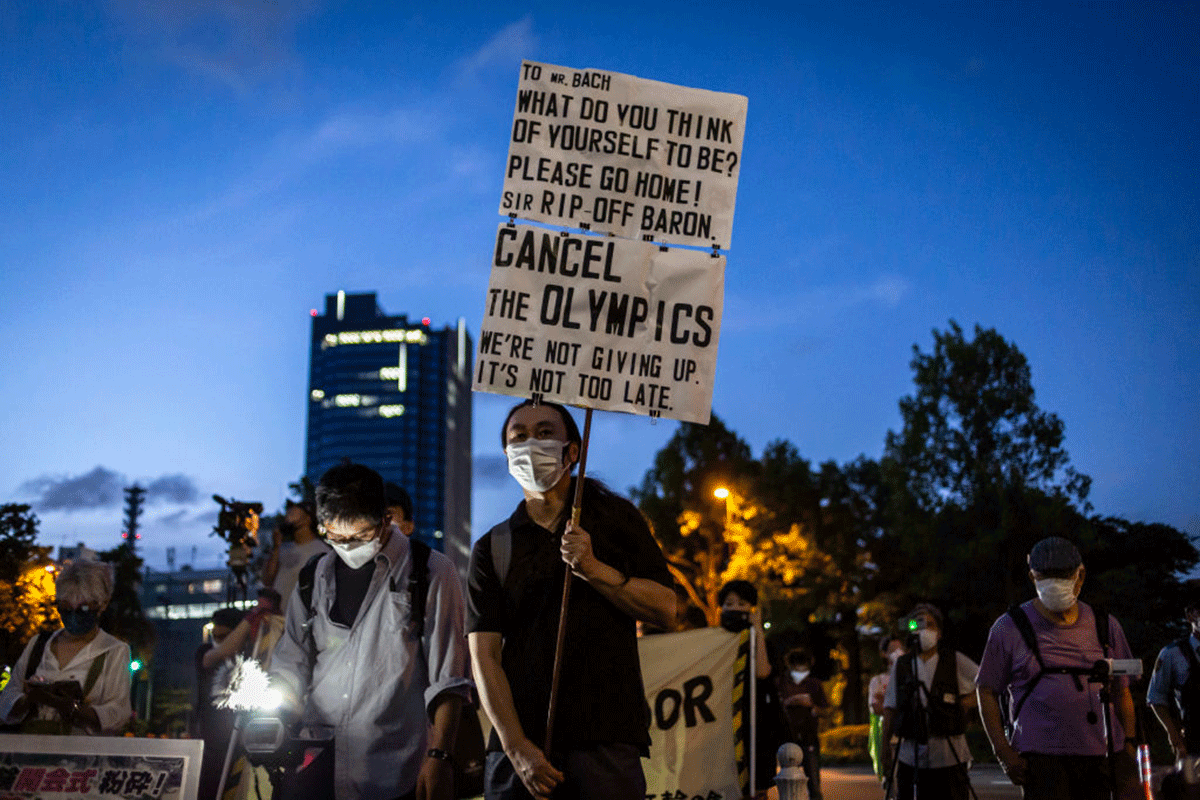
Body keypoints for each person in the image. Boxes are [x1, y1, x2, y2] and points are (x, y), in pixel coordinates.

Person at [467, 399, 675, 800]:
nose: (531, 445)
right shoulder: (493, 547)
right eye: (519, 436)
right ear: (507, 454)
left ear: (572, 451)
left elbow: (665, 608)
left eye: (545, 433)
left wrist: (596, 570)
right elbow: (484, 657)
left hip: (606, 744)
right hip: (521, 758)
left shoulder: (617, 520)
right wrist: (515, 747)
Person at [269, 462, 471, 800]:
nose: (348, 546)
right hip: (315, 764)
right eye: (336, 536)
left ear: (386, 520)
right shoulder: (312, 576)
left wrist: (439, 756)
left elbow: (449, 680)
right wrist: (276, 712)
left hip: (396, 768)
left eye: (361, 536)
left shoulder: (430, 570)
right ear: (323, 526)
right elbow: (291, 661)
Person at [977, 536, 1137, 800]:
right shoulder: (1009, 628)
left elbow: (1122, 691)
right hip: (1041, 760)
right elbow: (986, 691)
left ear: (1080, 575)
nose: (1055, 583)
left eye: (1062, 575)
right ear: (1032, 577)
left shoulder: (1105, 625)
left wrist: (1128, 744)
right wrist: (1003, 752)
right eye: (1045, 576)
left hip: (1102, 757)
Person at [0, 558, 131, 734]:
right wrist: (31, 699)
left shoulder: (113, 651)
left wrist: (74, 709)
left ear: (102, 604)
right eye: (66, 608)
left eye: (84, 609)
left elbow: (118, 713)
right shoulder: (39, 645)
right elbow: (6, 701)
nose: (74, 616)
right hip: (30, 753)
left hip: (80, 756)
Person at [882, 603, 977, 800]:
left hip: (949, 756)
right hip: (910, 755)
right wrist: (885, 749)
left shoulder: (954, 660)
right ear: (911, 629)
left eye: (931, 625)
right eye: (918, 624)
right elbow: (890, 708)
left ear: (939, 633)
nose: (925, 630)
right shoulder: (902, 665)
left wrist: (962, 705)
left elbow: (986, 685)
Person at [718, 580, 789, 795]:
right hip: (722, 724)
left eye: (742, 603)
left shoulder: (760, 640)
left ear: (752, 609)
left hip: (754, 725)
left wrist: (757, 629)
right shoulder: (713, 641)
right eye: (729, 604)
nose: (735, 609)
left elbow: (762, 672)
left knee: (757, 787)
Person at [1148, 588, 1200, 761]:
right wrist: (1175, 737)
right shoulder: (1173, 653)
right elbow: (1156, 697)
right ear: (1190, 616)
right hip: (1194, 743)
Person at [777, 647, 828, 800]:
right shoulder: (781, 683)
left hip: (809, 737)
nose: (800, 670)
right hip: (788, 738)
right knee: (789, 785)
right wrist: (787, 703)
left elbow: (825, 711)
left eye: (803, 666)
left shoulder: (814, 684)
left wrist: (811, 705)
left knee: (813, 783)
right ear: (790, 666)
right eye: (796, 666)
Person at [263, 499, 330, 612]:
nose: (288, 517)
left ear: (308, 518)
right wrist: (276, 547)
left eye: (293, 513)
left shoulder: (322, 551)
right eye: (288, 513)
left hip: (299, 619)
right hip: (276, 617)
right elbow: (267, 580)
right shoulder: (283, 548)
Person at [868, 634, 906, 781]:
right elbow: (876, 708)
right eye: (892, 650)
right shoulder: (877, 681)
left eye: (900, 649)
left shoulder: (912, 676)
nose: (897, 653)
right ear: (884, 654)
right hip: (890, 740)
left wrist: (887, 702)